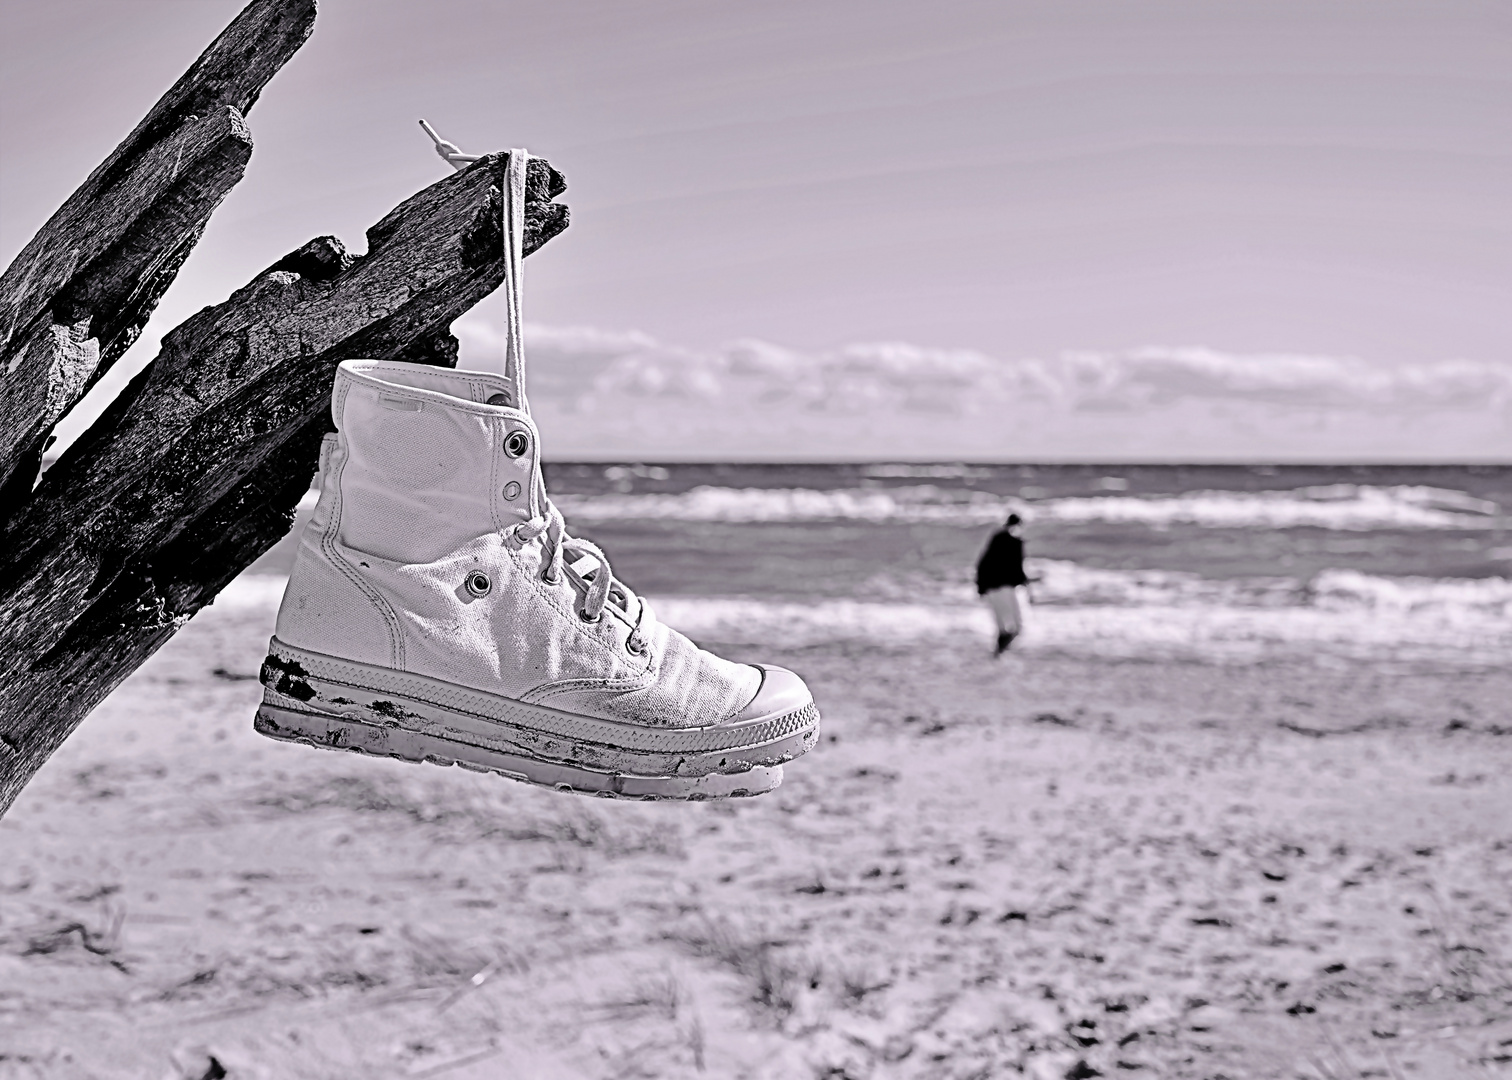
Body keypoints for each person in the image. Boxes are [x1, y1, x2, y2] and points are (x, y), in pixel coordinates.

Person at [976, 513, 1029, 655]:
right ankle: (1000, 653)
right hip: (1007, 587)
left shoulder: (996, 539)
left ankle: (999, 653)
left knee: (1003, 628)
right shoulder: (1015, 543)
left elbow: (982, 564)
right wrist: (1027, 586)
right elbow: (1018, 568)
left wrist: (980, 587)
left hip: (992, 587)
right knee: (1016, 626)